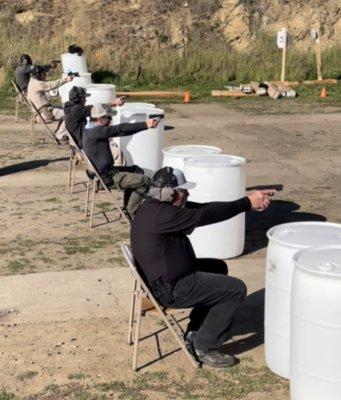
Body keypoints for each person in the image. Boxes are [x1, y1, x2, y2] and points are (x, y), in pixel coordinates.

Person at [131, 166, 275, 368]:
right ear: (170, 193)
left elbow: (206, 208)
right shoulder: (165, 216)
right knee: (235, 289)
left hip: (167, 279)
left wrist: (247, 201)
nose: (188, 194)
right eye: (183, 190)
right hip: (172, 289)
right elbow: (208, 216)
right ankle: (205, 346)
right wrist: (246, 203)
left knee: (217, 267)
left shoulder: (154, 209)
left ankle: (195, 330)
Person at [83, 104, 159, 219]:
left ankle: (128, 207)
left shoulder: (90, 128)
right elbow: (120, 129)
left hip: (103, 172)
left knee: (136, 171)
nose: (110, 120)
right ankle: (132, 213)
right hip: (106, 177)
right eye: (108, 118)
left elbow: (121, 131)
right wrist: (145, 124)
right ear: (100, 119)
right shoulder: (96, 131)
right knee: (145, 181)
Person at [27, 66, 74, 140]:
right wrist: (66, 79)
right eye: (43, 74)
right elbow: (52, 85)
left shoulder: (32, 82)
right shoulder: (37, 84)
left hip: (42, 112)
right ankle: (60, 134)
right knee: (71, 113)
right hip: (46, 113)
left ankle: (59, 132)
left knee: (67, 109)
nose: (45, 75)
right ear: (38, 74)